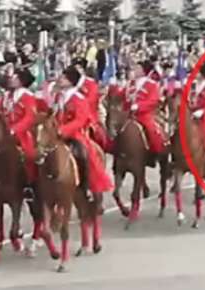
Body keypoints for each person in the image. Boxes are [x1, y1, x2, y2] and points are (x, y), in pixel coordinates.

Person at [59, 65, 113, 198]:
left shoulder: (78, 98)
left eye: (63, 78)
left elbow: (80, 120)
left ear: (71, 81)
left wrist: (64, 130)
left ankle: (86, 184)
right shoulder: (59, 97)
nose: (60, 80)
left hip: (75, 134)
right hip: (57, 133)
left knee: (83, 154)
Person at [3, 68, 38, 199]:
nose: (12, 79)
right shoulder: (6, 96)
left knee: (28, 155)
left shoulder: (27, 96)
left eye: (16, 78)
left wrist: (14, 129)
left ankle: (29, 183)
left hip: (21, 133)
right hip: (5, 131)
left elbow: (29, 117)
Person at [125, 60, 167, 165]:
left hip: (144, 115)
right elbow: (125, 99)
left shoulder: (151, 84)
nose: (135, 70)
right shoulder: (131, 83)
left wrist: (138, 106)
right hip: (130, 115)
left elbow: (153, 101)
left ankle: (154, 153)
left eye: (138, 68)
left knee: (152, 131)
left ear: (144, 71)